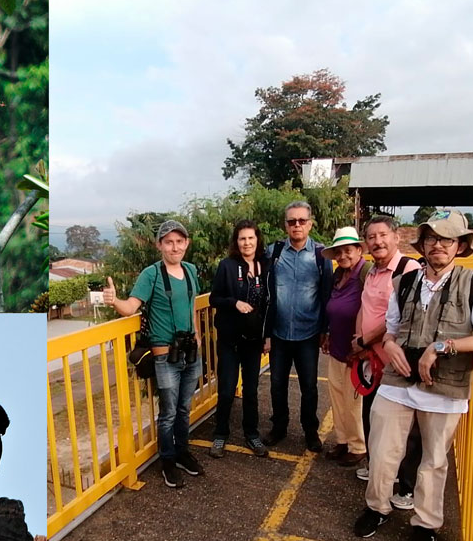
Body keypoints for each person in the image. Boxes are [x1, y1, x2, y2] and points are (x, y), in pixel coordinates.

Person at [354, 209, 473, 541]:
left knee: (434, 461)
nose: (437, 245)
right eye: (431, 239)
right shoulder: (406, 282)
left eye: (446, 239)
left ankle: (426, 526)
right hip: (397, 381)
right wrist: (390, 346)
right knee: (381, 450)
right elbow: (391, 329)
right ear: (422, 244)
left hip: (444, 388)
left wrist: (443, 346)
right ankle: (377, 507)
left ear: (459, 246)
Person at [103, 220, 203, 488]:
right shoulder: (152, 274)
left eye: (179, 241)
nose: (175, 247)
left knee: (184, 408)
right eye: (168, 242)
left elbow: (192, 305)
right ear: (159, 245)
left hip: (191, 353)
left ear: (186, 243)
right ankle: (167, 461)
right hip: (165, 355)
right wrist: (114, 301)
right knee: (169, 412)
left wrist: (197, 336)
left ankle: (183, 452)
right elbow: (131, 307)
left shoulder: (191, 270)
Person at [351, 216, 422, 512]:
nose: (377, 242)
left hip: (395, 361)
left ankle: (405, 487)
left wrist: (366, 340)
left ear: (396, 236)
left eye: (382, 235)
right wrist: (359, 341)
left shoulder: (409, 270)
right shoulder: (372, 271)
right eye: (371, 237)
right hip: (371, 359)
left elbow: (400, 318)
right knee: (372, 417)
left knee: (403, 427)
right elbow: (366, 307)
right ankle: (376, 465)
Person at [263, 201, 332, 452]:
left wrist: (325, 330)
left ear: (310, 223)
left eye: (302, 220)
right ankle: (279, 427)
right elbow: (264, 290)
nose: (297, 225)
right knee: (277, 384)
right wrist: (265, 331)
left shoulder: (321, 255)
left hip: (308, 333)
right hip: (279, 332)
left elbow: (326, 294)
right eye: (292, 221)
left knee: (309, 386)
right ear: (286, 225)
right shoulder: (274, 252)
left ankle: (310, 430)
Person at [208, 220, 270, 459]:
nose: (247, 243)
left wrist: (267, 336)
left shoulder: (265, 265)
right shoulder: (227, 266)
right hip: (230, 339)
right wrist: (234, 302)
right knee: (226, 389)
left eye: (251, 238)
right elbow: (214, 298)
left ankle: (251, 433)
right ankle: (220, 434)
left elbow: (269, 303)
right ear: (237, 242)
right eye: (242, 238)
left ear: (257, 240)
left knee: (251, 390)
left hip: (253, 340)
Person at [320, 227, 368, 466]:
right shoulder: (339, 275)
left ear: (359, 250)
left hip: (357, 352)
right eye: (338, 252)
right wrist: (328, 332)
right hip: (337, 347)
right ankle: (342, 440)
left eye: (348, 250)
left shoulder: (366, 273)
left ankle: (358, 446)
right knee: (337, 397)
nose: (343, 256)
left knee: (353, 402)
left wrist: (363, 344)